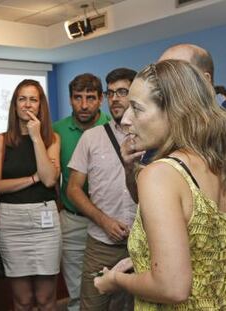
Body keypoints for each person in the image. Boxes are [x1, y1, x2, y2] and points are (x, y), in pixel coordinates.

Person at [94, 60, 226, 309]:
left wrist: (116, 280)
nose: (125, 119)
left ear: (175, 111)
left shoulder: (160, 174)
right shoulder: (215, 163)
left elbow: (172, 286)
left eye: (137, 108)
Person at [67, 68, 137, 311]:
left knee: (138, 306)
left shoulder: (153, 135)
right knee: (92, 305)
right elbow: (73, 189)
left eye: (122, 92)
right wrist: (105, 222)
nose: (115, 98)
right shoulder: (91, 138)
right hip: (101, 244)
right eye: (111, 93)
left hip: (143, 242)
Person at [0, 79, 61, 310]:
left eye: (33, 99)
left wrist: (37, 137)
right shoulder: (2, 139)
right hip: (12, 222)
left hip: (45, 224)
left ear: (40, 106)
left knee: (46, 300)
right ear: (15, 104)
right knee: (23, 300)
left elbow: (49, 178)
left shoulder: (52, 138)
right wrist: (32, 178)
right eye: (22, 99)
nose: (27, 104)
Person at [122, 43, 219, 202]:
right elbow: (144, 201)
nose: (161, 79)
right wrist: (130, 168)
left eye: (174, 70)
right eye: (160, 70)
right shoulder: (157, 138)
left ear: (204, 80)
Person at [53, 73, 111, 311]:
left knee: (110, 287)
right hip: (73, 220)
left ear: (101, 100)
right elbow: (52, 176)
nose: (84, 105)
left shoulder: (113, 126)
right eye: (78, 98)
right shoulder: (57, 130)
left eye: (90, 98)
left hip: (109, 221)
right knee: (77, 292)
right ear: (70, 99)